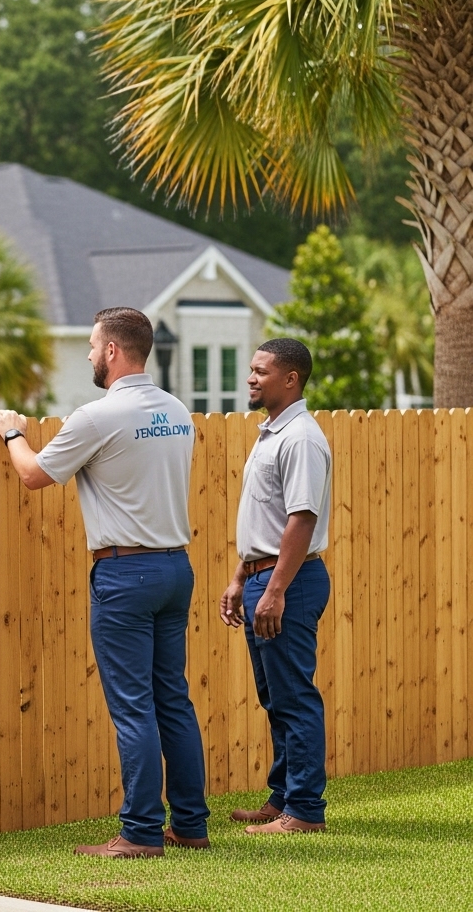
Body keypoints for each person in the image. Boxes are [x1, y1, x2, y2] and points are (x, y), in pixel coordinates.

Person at [0, 307, 209, 859]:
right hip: (174, 567)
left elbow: (34, 475)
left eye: (92, 346)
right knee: (173, 702)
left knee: (134, 707)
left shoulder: (98, 416)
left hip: (124, 572)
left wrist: (13, 432)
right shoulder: (178, 411)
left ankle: (139, 832)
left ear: (113, 351)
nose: (89, 354)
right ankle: (189, 824)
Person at [219, 338, 332, 835]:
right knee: (275, 696)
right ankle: (283, 796)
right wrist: (241, 576)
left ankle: (304, 811)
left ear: (291, 379)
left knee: (294, 696)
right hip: (262, 577)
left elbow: (301, 519)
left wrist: (276, 588)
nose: (251, 378)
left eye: (261, 371)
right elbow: (265, 517)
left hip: (290, 582)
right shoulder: (271, 432)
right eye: (252, 369)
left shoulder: (301, 437)